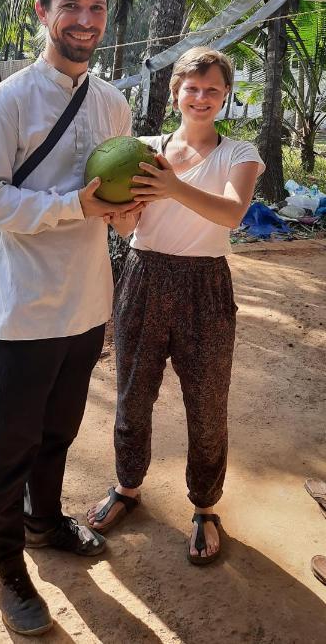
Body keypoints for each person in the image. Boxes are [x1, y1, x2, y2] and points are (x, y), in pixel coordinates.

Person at [0, 0, 140, 636]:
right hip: (25, 307)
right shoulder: (11, 99)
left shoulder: (113, 103)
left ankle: (43, 520)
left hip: (86, 302)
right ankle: (5, 560)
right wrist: (76, 206)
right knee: (10, 443)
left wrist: (133, 208)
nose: (85, 20)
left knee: (59, 433)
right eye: (70, 6)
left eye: (95, 7)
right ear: (43, 13)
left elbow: (118, 208)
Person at [87, 47, 265, 565]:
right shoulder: (142, 150)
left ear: (226, 95)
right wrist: (117, 212)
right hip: (144, 275)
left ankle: (206, 507)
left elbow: (232, 214)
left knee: (207, 403)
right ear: (175, 93)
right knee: (132, 393)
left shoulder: (240, 152)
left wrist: (171, 185)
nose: (202, 98)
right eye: (192, 88)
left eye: (212, 89)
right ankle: (126, 486)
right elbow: (126, 227)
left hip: (205, 285)